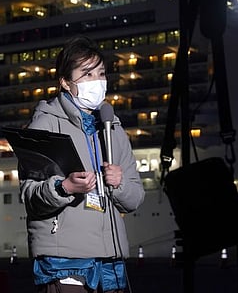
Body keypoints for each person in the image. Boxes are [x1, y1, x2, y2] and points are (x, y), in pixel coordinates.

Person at [19, 35, 145, 293]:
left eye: (101, 73)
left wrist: (119, 184)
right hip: (65, 262)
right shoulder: (45, 125)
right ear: (65, 82)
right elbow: (29, 195)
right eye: (87, 74)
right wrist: (63, 188)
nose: (97, 82)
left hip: (111, 261)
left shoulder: (113, 128)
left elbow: (135, 198)